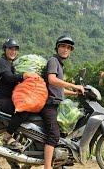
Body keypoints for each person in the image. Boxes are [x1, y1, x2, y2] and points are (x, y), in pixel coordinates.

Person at [42, 35, 84, 169]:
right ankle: (47, 167)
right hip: (49, 105)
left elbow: (57, 88)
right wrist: (73, 86)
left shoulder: (60, 64)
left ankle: (59, 162)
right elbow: (52, 80)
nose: (66, 49)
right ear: (57, 47)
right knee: (54, 135)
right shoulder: (53, 61)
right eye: (63, 46)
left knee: (63, 133)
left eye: (68, 48)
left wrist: (73, 93)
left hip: (56, 104)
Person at [0, 38, 39, 147]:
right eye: (10, 48)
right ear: (5, 49)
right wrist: (23, 76)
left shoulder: (12, 65)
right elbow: (8, 77)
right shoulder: (2, 63)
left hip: (8, 98)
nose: (13, 51)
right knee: (23, 110)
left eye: (15, 49)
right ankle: (7, 135)